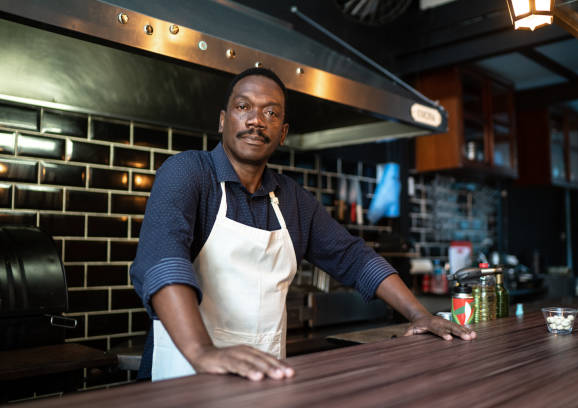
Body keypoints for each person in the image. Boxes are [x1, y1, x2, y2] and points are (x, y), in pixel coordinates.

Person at [130, 67, 476, 382]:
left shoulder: (292, 199)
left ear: (282, 133)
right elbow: (163, 260)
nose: (255, 121)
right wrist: (203, 352)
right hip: (184, 372)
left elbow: (355, 258)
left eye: (270, 112)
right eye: (243, 107)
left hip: (263, 378)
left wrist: (418, 315)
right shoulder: (188, 172)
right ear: (223, 120)